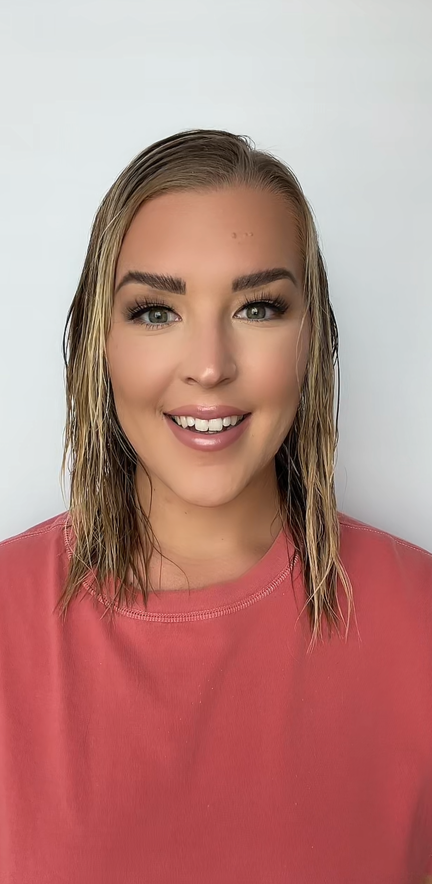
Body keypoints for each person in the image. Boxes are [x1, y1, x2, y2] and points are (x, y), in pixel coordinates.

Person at [0, 128, 431, 884]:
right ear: (99, 339)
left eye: (259, 308)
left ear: (314, 337)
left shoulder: (419, 617)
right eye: (156, 311)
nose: (209, 366)